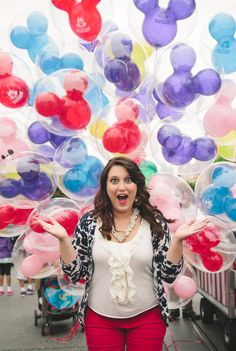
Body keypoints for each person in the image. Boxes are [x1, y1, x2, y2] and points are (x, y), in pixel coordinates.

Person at [38, 156, 209, 351]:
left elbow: (168, 275)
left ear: (137, 185)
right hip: (100, 319)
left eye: (128, 180)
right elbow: (75, 273)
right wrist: (63, 240)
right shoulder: (88, 222)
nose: (122, 187)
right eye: (114, 180)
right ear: (105, 187)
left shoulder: (155, 222)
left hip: (149, 318)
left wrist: (177, 240)